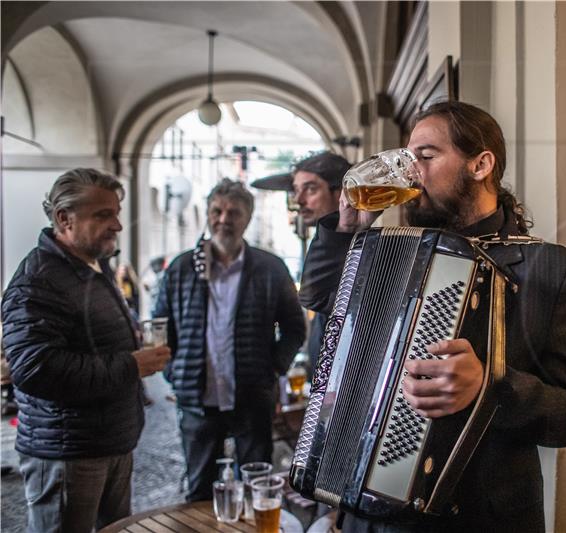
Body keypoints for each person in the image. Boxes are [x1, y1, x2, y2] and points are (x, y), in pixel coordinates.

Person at [299, 101, 566, 533]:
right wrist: (346, 229)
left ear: (480, 165)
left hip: (479, 520)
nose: (411, 171)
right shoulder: (385, 251)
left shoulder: (550, 268)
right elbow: (321, 297)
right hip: (369, 516)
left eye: (426, 155)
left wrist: (490, 387)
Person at [1, 168, 171, 533]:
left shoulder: (92, 265)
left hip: (108, 442)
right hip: (67, 455)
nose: (117, 225)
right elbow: (34, 370)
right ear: (64, 218)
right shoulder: (37, 279)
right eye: (102, 215)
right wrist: (130, 365)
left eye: (116, 213)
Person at [154, 178, 306, 501]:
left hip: (251, 396)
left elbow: (295, 328)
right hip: (197, 398)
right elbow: (161, 328)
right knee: (199, 490)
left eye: (234, 212)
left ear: (247, 218)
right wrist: (174, 372)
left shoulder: (270, 269)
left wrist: (273, 369)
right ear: (208, 215)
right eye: (217, 211)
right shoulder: (182, 268)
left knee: (256, 487)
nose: (224, 219)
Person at [292, 151, 351, 371]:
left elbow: (311, 296)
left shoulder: (359, 248)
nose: (299, 200)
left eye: (310, 189)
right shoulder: (322, 245)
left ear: (341, 193)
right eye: (297, 190)